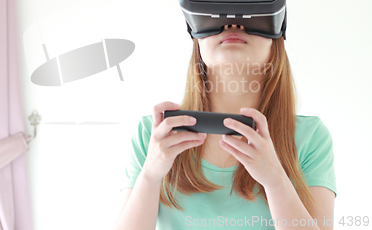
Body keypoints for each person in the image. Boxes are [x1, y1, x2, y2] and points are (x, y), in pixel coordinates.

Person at [113, 24, 336, 230]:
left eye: (250, 14)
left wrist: (276, 181)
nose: (233, 24)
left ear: (276, 37)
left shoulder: (309, 137)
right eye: (215, 14)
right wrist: (150, 176)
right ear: (196, 39)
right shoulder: (154, 134)